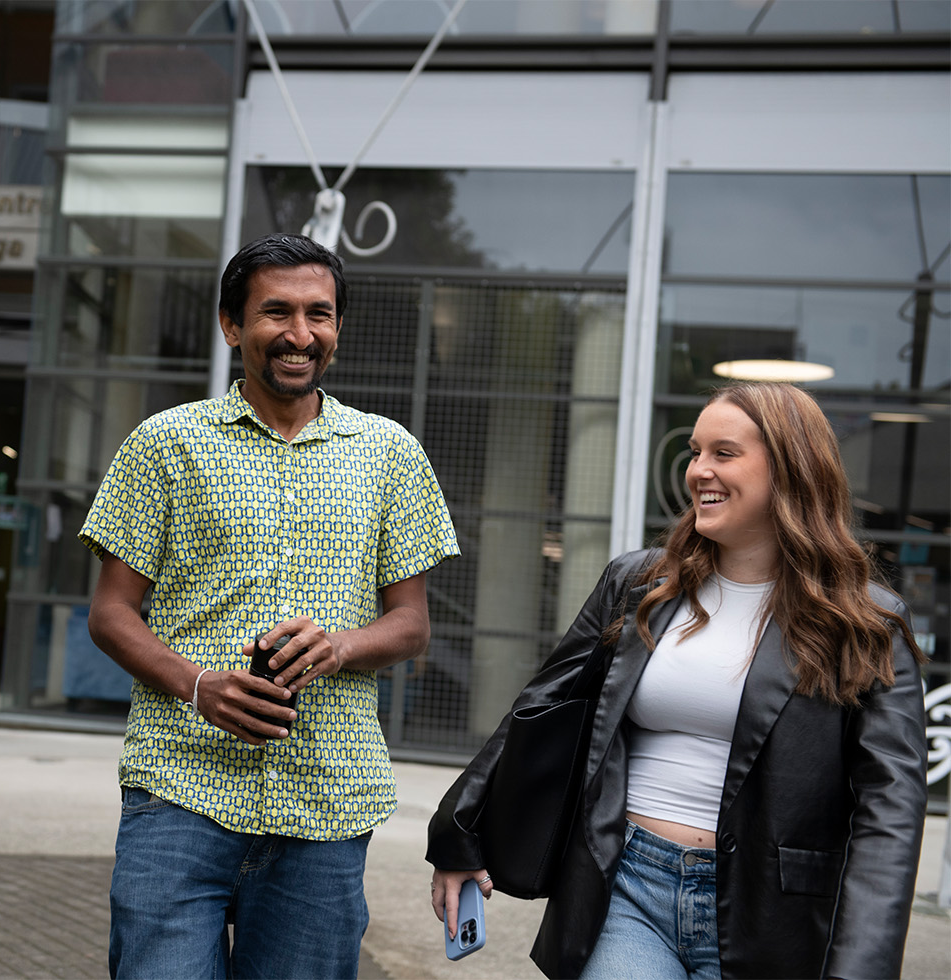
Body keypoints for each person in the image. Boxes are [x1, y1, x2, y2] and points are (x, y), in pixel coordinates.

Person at [427, 382, 927, 979]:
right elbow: (540, 710)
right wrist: (458, 830)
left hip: (770, 911)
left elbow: (889, 809)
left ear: (791, 468)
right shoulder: (640, 584)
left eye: (724, 453)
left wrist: (861, 966)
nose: (699, 471)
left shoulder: (866, 620)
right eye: (695, 452)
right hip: (627, 882)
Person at [80, 233, 459, 979]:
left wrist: (341, 647)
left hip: (327, 797)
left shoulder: (390, 452)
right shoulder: (166, 444)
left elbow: (411, 624)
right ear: (232, 325)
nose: (299, 334)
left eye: (319, 314)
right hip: (180, 787)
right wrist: (201, 687)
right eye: (275, 312)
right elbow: (112, 613)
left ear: (338, 328)